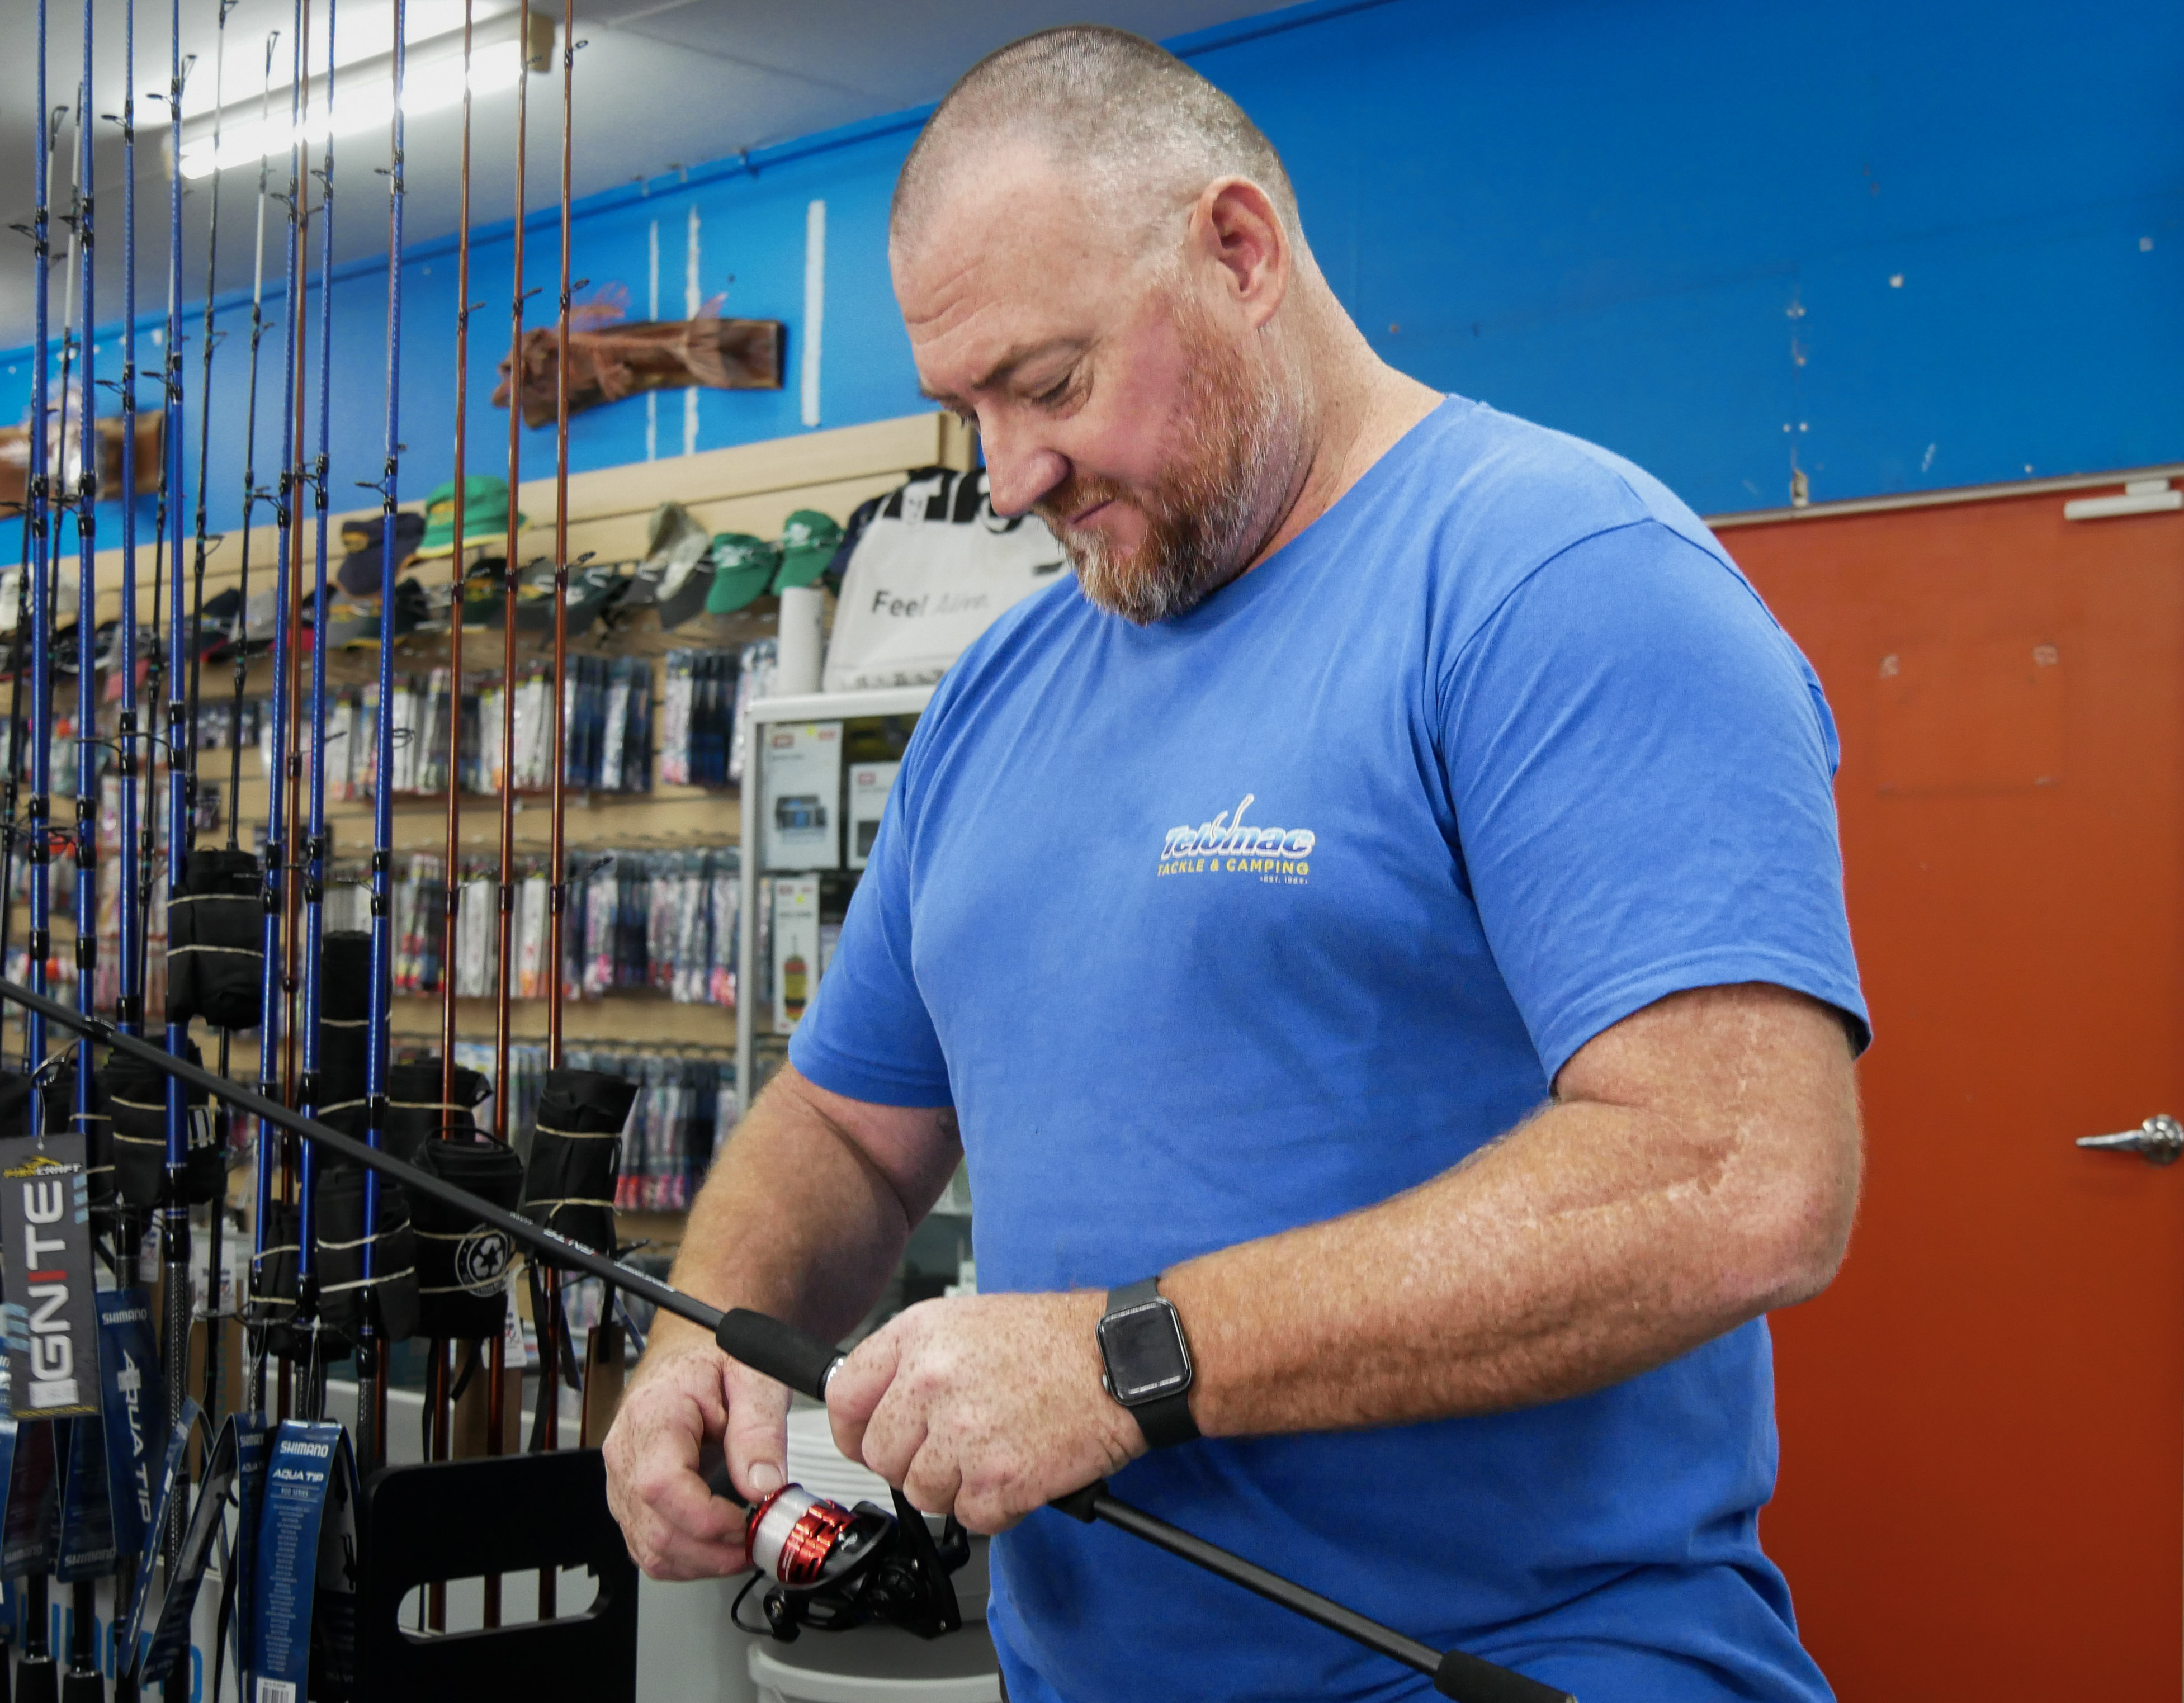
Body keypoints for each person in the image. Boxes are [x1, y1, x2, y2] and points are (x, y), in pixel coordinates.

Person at [604, 25, 1866, 1703]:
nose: (1008, 476)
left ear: (1240, 250)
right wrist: (712, 1330)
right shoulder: (1000, 691)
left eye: (1049, 384)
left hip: (1515, 1664)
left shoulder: (1561, 582)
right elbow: (846, 1122)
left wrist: (1128, 1360)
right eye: (967, 408)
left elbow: (1736, 1180)